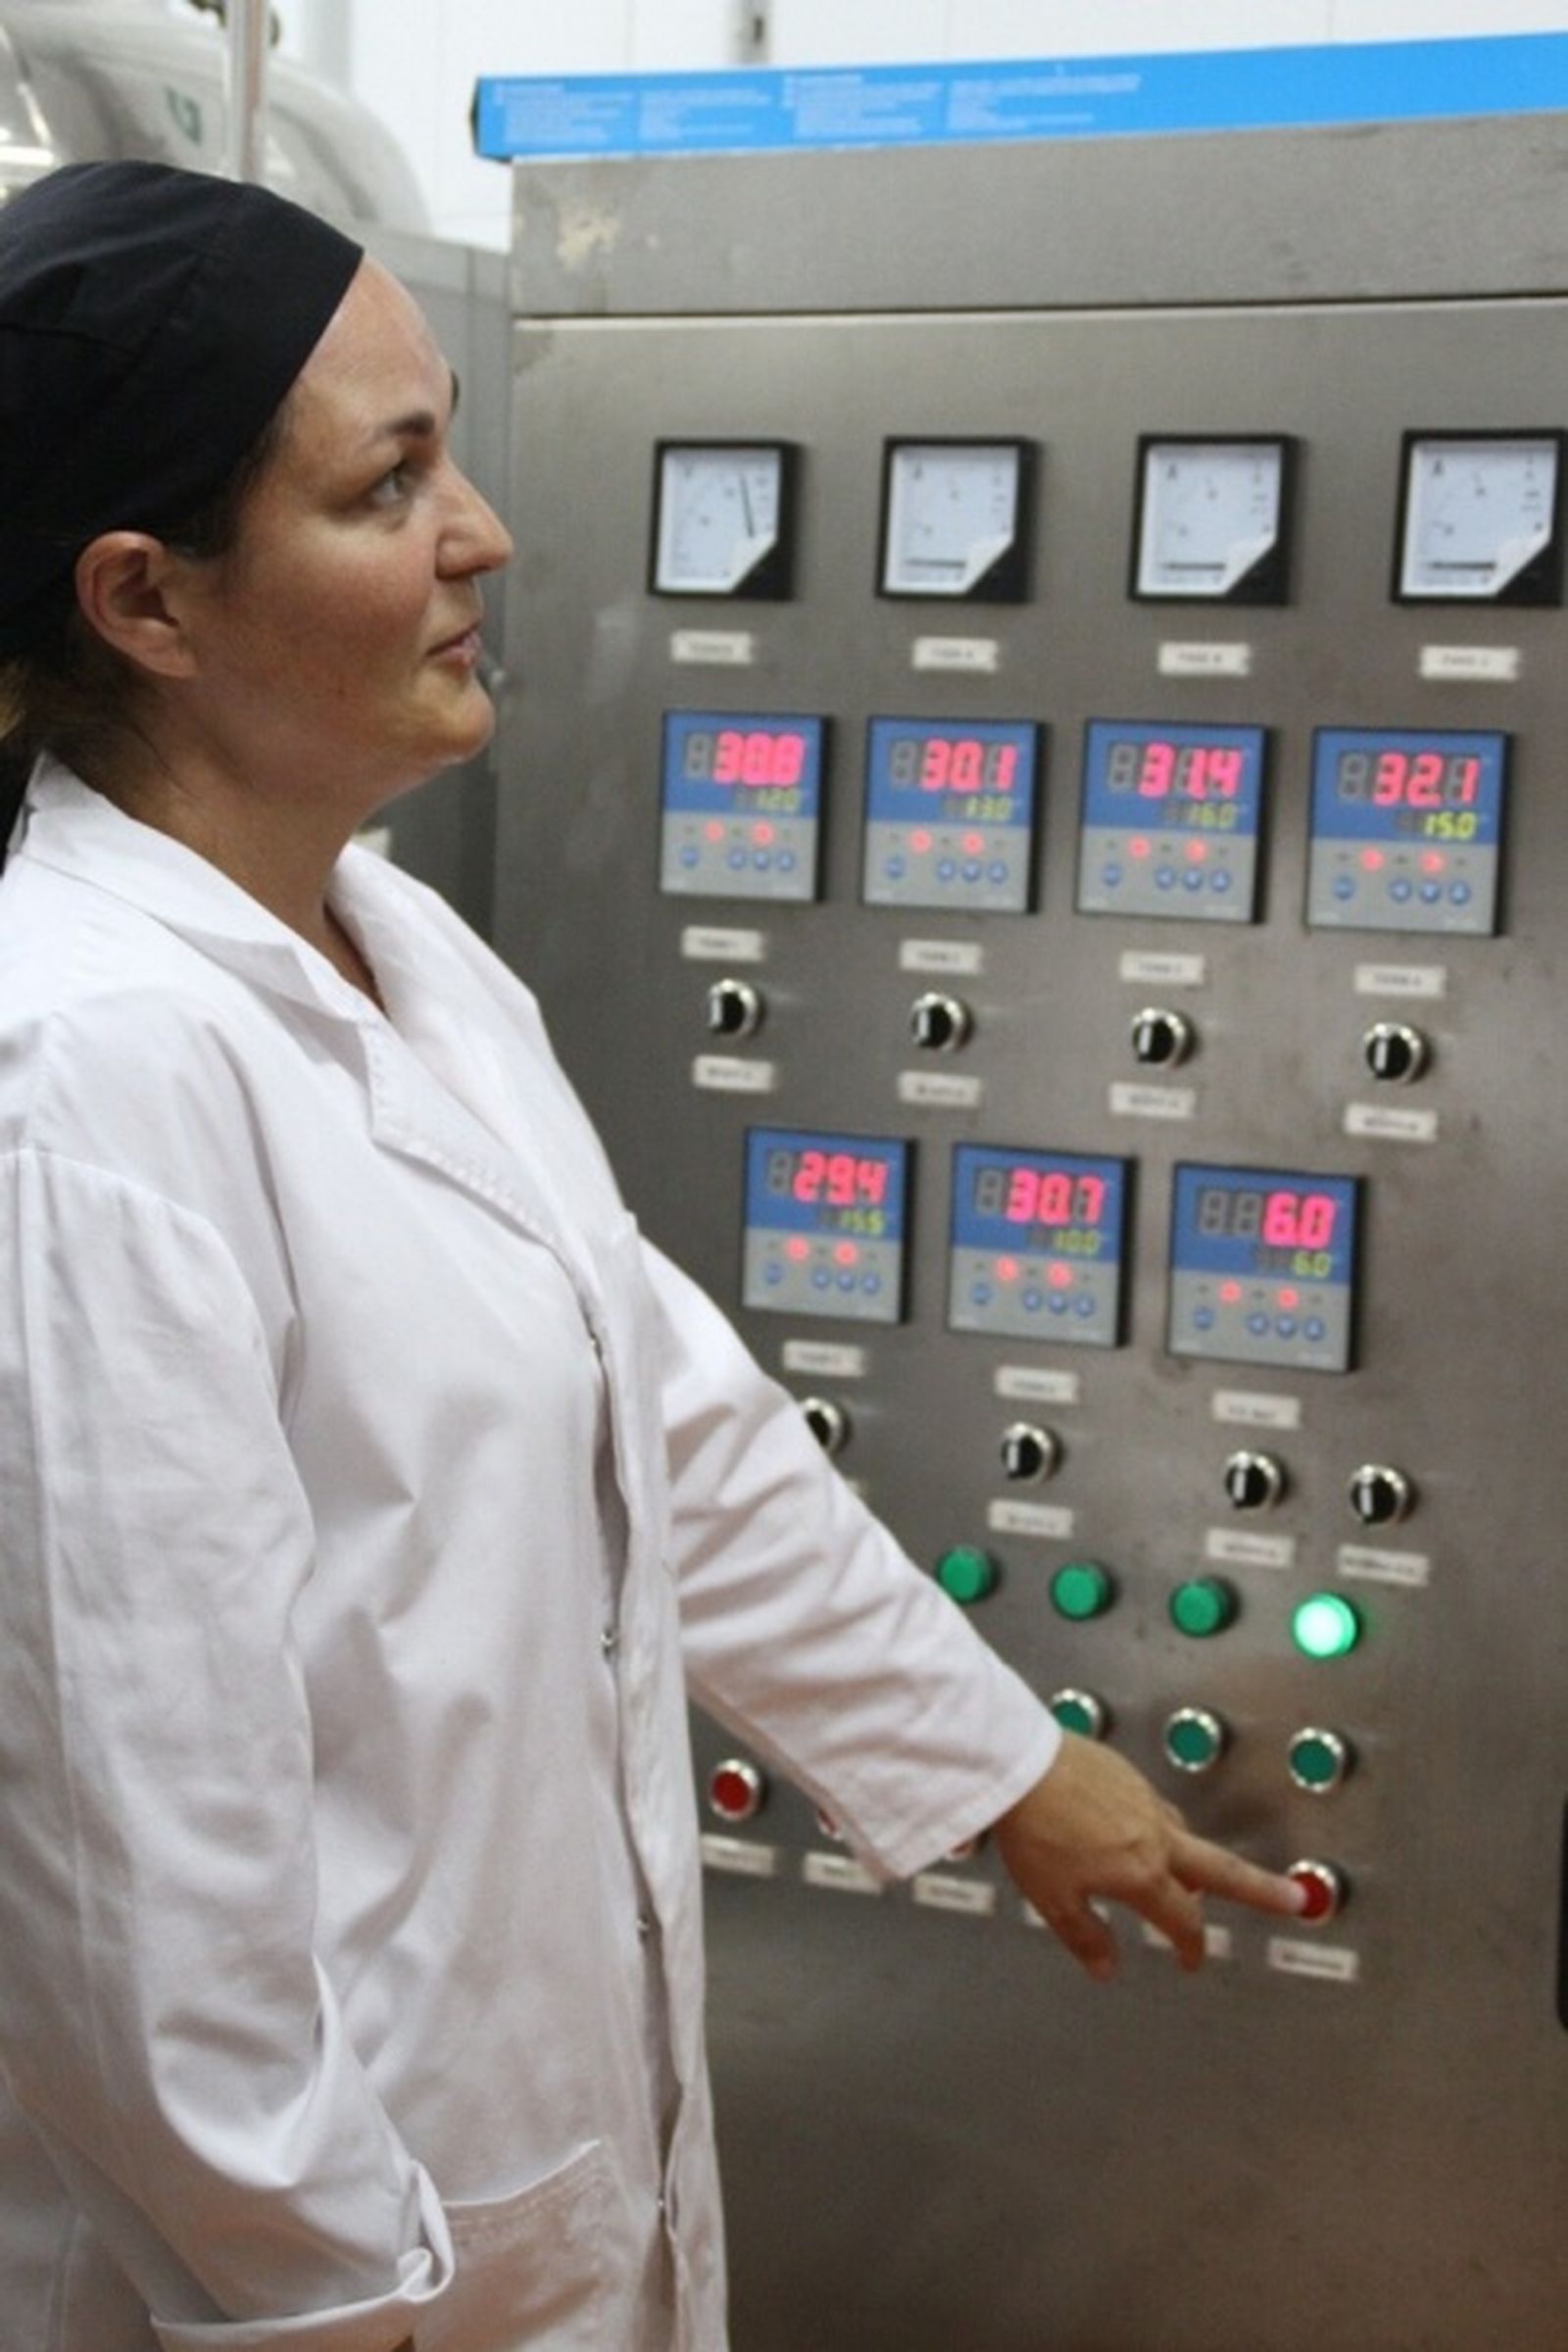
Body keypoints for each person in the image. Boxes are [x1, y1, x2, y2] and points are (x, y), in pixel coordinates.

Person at [0, 161, 1303, 2352]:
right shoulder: (82, 1076)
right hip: (317, 2285)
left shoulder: (397, 945)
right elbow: (132, 1869)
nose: (481, 532)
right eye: (387, 482)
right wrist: (328, 2303)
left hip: (523, 2196)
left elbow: (657, 1408)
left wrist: (995, 1766)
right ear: (145, 598)